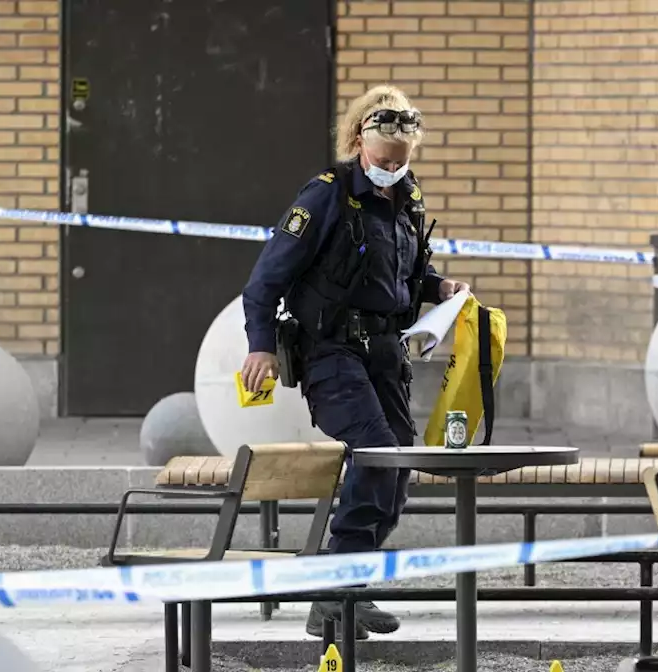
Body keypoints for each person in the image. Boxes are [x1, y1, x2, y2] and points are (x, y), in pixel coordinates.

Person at [239, 84, 469, 639]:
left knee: (396, 469)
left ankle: (346, 585)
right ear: (359, 141)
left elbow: (407, 278)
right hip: (331, 352)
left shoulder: (409, 199)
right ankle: (336, 589)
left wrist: (442, 288)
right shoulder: (324, 196)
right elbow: (264, 282)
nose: (391, 169)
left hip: (387, 354)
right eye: (384, 160)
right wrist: (261, 344)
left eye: (401, 161)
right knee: (375, 449)